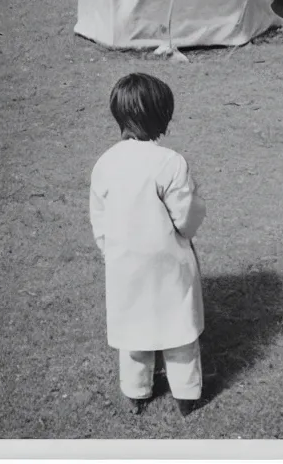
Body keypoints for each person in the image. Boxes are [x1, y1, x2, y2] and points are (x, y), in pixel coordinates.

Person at [90, 72, 206, 417]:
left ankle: (137, 389)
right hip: (168, 259)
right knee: (178, 326)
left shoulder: (106, 163)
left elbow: (100, 217)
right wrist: (187, 230)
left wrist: (109, 250)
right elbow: (185, 215)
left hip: (125, 260)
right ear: (162, 116)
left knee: (133, 324)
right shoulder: (169, 162)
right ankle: (186, 393)